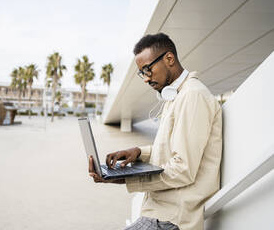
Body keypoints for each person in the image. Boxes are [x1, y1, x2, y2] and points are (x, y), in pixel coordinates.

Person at [88, 33, 222, 230]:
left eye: (147, 69)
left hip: (172, 218)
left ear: (169, 59)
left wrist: (122, 178)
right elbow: (173, 146)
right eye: (142, 73)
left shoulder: (192, 96)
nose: (145, 78)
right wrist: (139, 152)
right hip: (159, 214)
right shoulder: (176, 96)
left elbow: (183, 170)